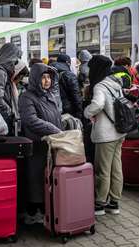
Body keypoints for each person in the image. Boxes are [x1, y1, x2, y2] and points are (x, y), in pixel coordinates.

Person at [19, 63, 63, 224]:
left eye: (49, 77)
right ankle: (33, 211)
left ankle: (45, 209)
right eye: (43, 77)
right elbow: (30, 120)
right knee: (35, 179)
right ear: (36, 78)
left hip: (50, 144)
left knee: (46, 177)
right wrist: (53, 129)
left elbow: (56, 114)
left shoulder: (49, 95)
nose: (47, 81)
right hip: (37, 145)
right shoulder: (27, 97)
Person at [84, 55, 127, 216]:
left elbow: (98, 104)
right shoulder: (115, 83)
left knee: (103, 169)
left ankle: (100, 203)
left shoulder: (100, 86)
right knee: (116, 168)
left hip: (106, 134)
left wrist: (87, 112)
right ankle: (114, 202)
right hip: (119, 132)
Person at [0, 43, 22, 135]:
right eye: (16, 58)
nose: (16, 61)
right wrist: (10, 111)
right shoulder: (0, 73)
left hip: (0, 114)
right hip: (1, 116)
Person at [52, 54, 83, 119]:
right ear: (67, 62)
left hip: (53, 107)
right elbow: (76, 95)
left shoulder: (51, 72)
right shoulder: (69, 74)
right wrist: (79, 112)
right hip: (68, 109)